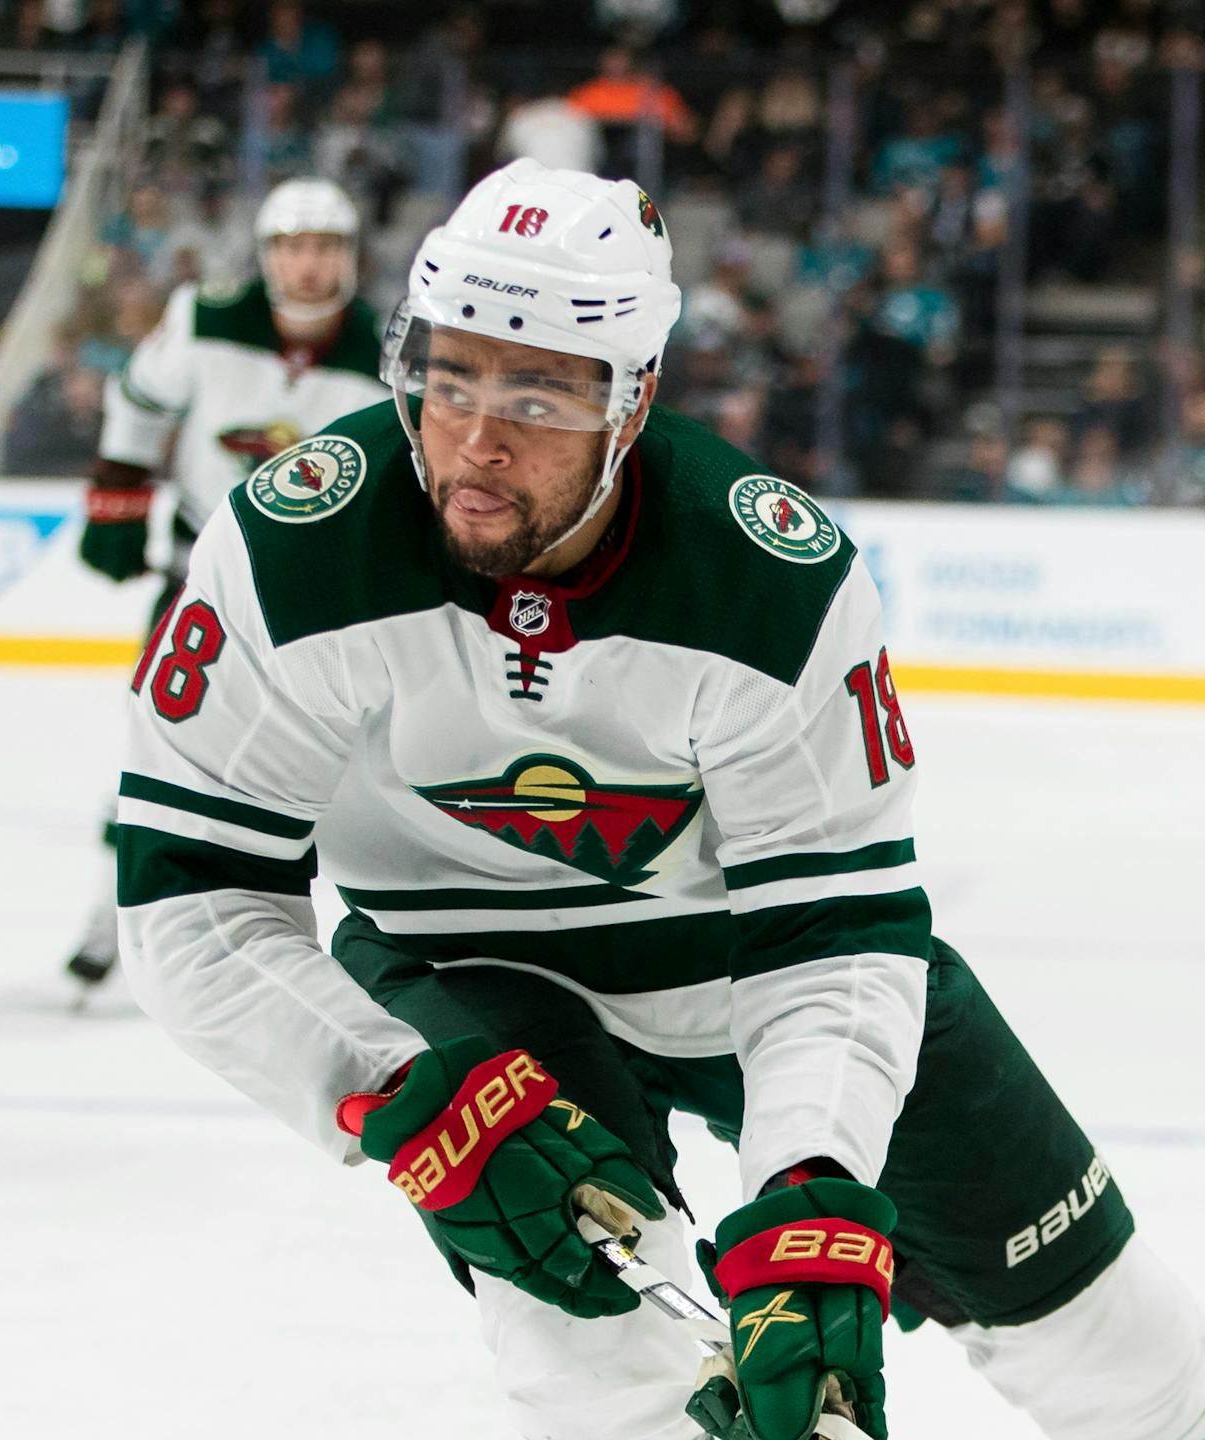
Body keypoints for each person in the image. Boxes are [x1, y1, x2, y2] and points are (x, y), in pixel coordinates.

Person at [116, 159, 1205, 1440]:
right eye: (449, 378)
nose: (476, 440)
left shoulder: (770, 581)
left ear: (632, 400)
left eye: (538, 395)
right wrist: (399, 1092)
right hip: (463, 970)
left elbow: (834, 930)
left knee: (1135, 1365)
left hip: (747, 968)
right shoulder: (290, 549)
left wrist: (810, 1184)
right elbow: (189, 894)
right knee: (615, 1378)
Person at [64, 177, 387, 991]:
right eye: (292, 247)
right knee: (157, 748)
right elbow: (140, 399)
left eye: (325, 248)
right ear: (266, 256)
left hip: (320, 597)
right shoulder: (204, 318)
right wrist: (117, 495)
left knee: (334, 775)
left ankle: (333, 935)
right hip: (200, 579)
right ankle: (111, 918)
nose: (308, 266)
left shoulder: (388, 350)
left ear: (349, 256)